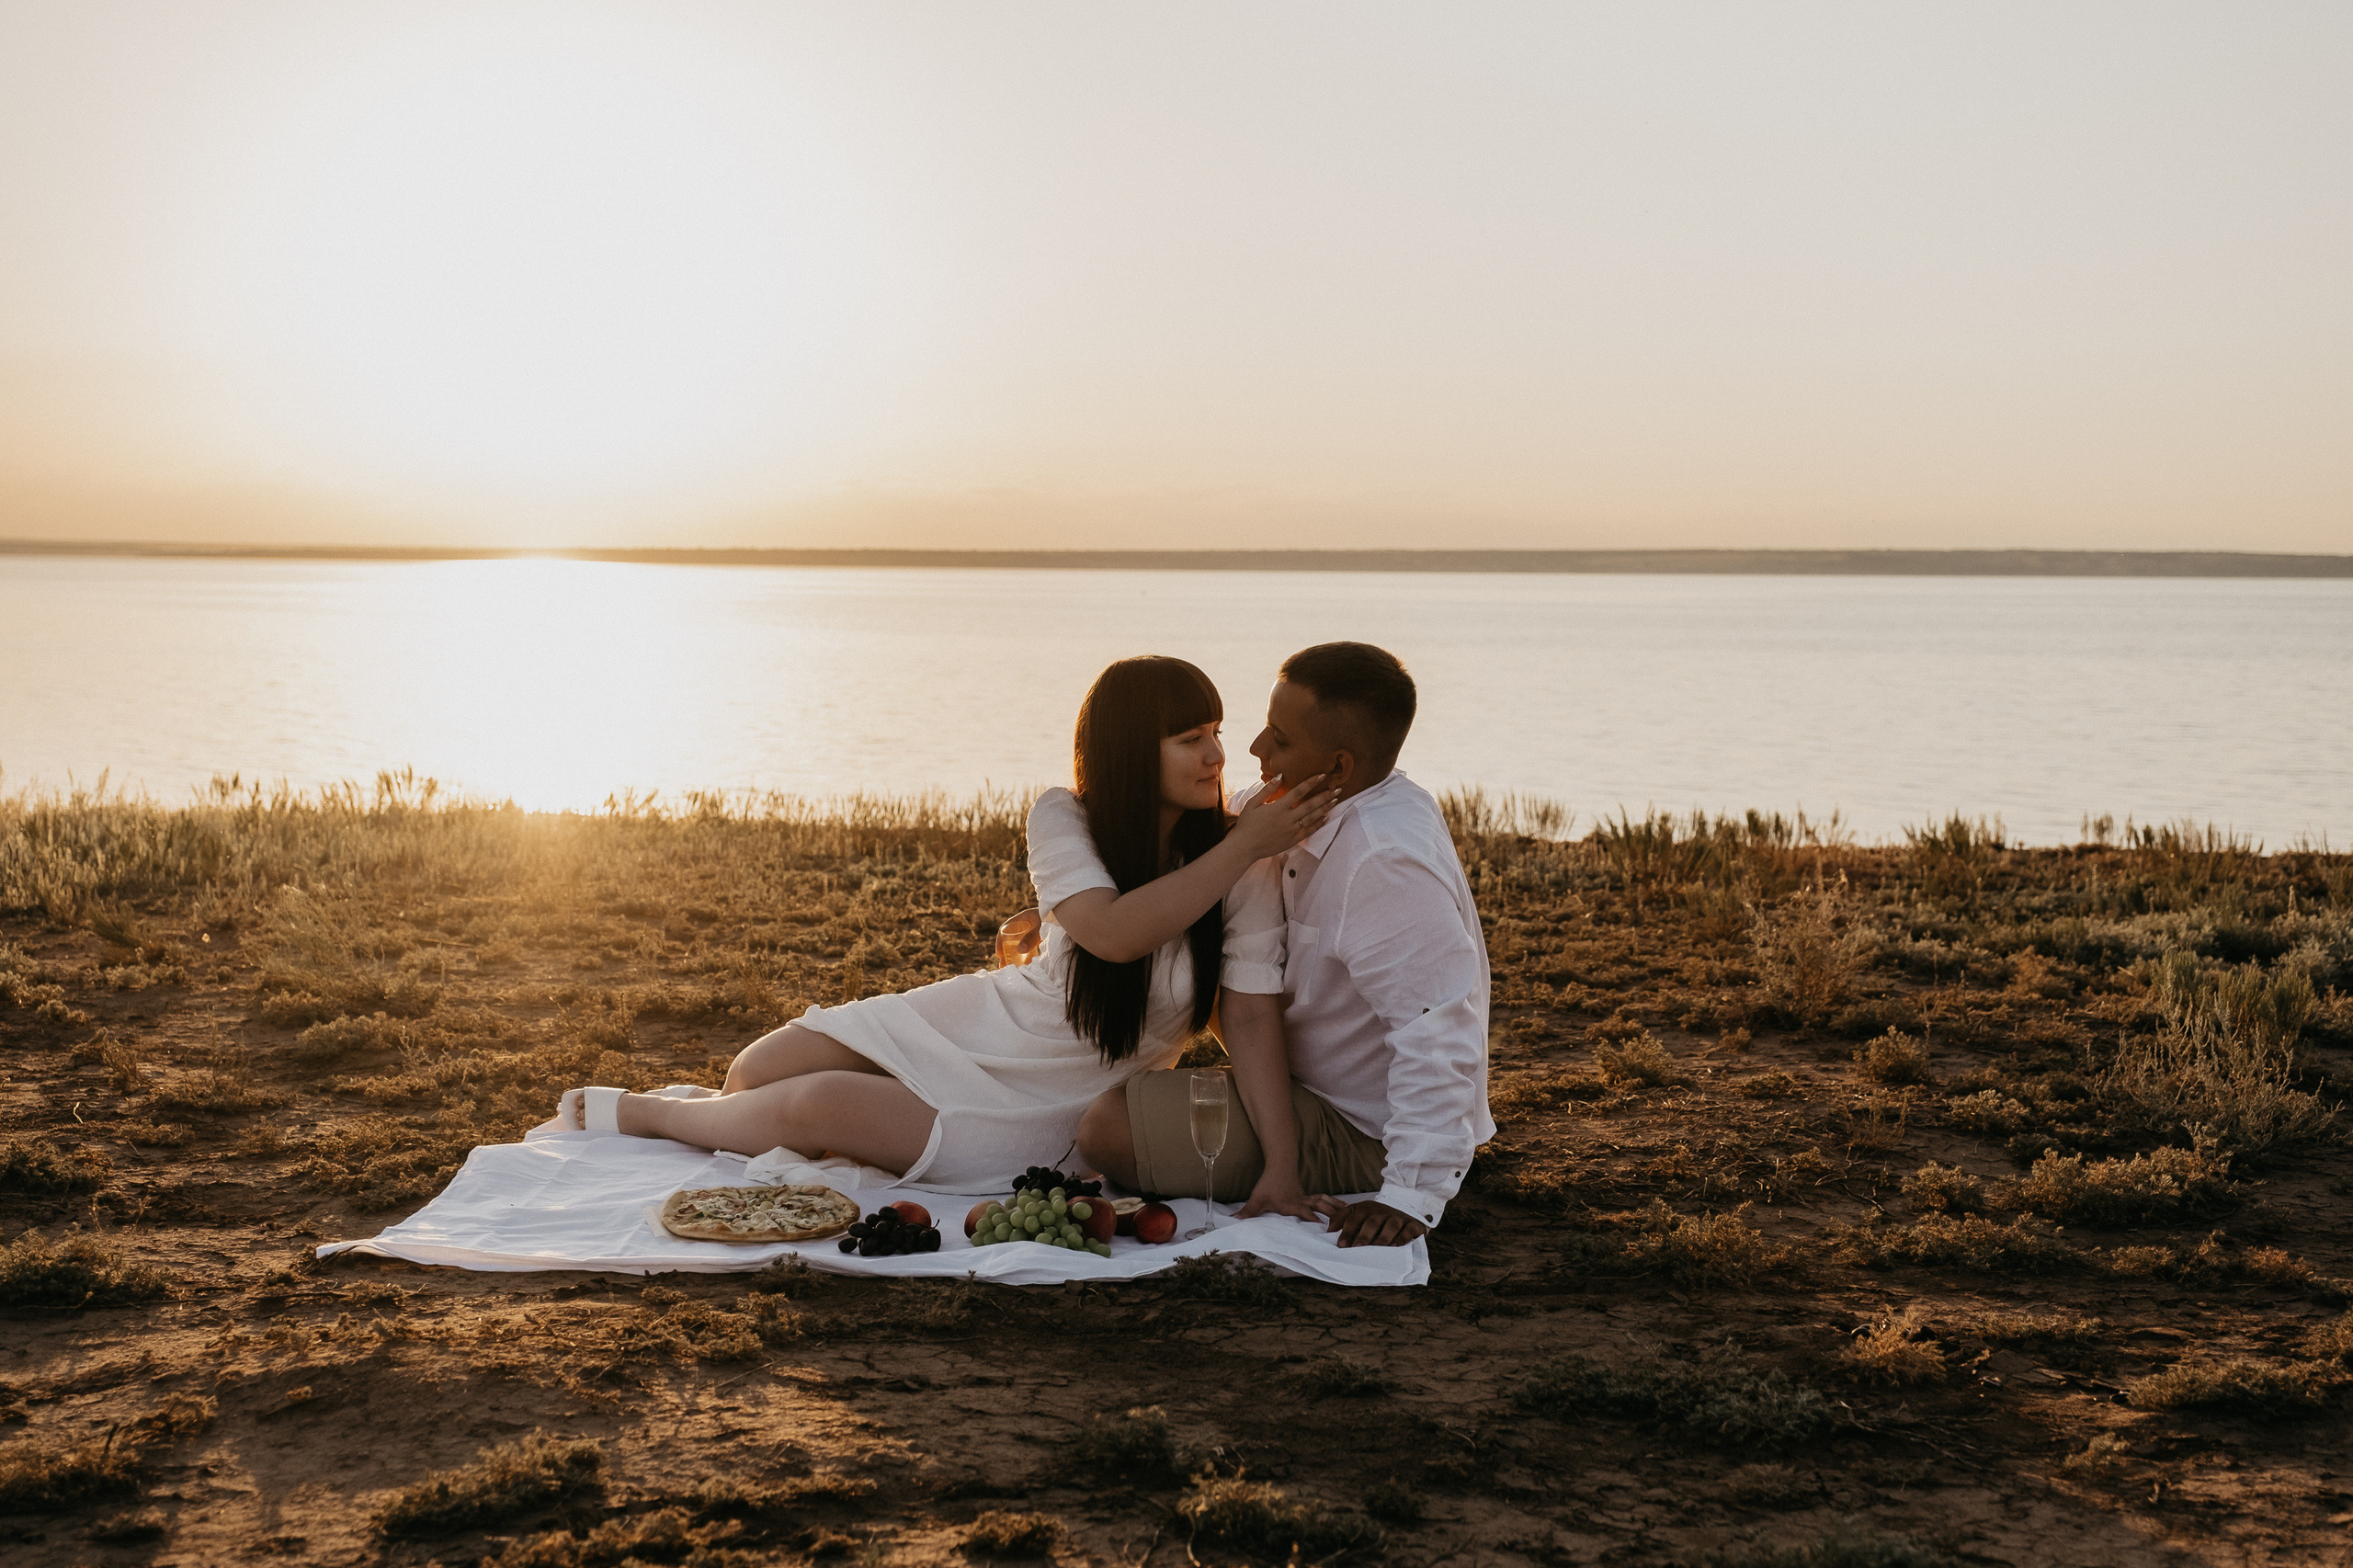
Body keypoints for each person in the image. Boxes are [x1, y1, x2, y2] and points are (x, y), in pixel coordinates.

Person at [552, 655, 1338, 1190]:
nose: (1216, 755)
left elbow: (1249, 1016)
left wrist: (1283, 1167)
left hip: (1057, 1095)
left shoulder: (1242, 858)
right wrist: (1235, 849)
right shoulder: (1064, 815)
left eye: (1216, 733)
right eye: (1190, 739)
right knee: (757, 1070)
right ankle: (749, 1118)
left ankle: (656, 1114)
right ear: (1132, 751)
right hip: (992, 1020)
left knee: (812, 1104)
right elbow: (1109, 932)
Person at [1076, 642, 1493, 1248]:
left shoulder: (1383, 862)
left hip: (1360, 1127)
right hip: (1294, 1089)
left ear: (1340, 767)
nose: (1253, 748)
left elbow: (1439, 1029)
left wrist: (1412, 1193)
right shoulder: (1290, 803)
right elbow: (1202, 854)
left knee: (1106, 1129)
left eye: (1280, 739)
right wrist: (1078, 909)